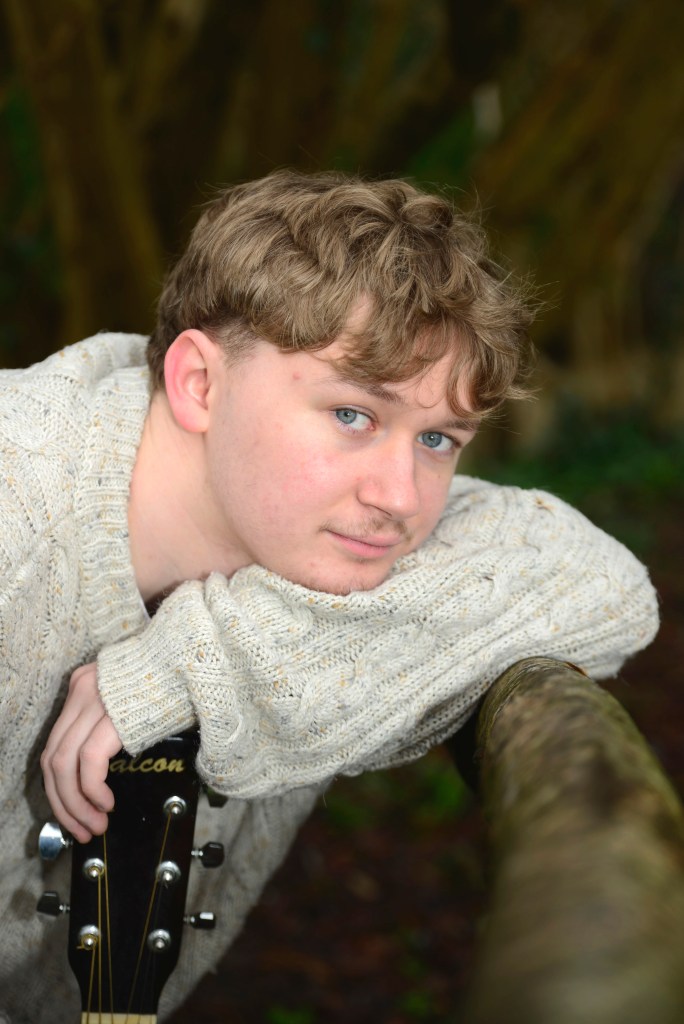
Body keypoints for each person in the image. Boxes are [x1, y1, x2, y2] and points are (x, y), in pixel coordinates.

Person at [0, 170, 658, 1022]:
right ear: (199, 382)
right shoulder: (17, 507)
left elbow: (602, 585)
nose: (400, 496)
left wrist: (212, 660)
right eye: (353, 415)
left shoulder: (304, 536)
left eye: (437, 438)